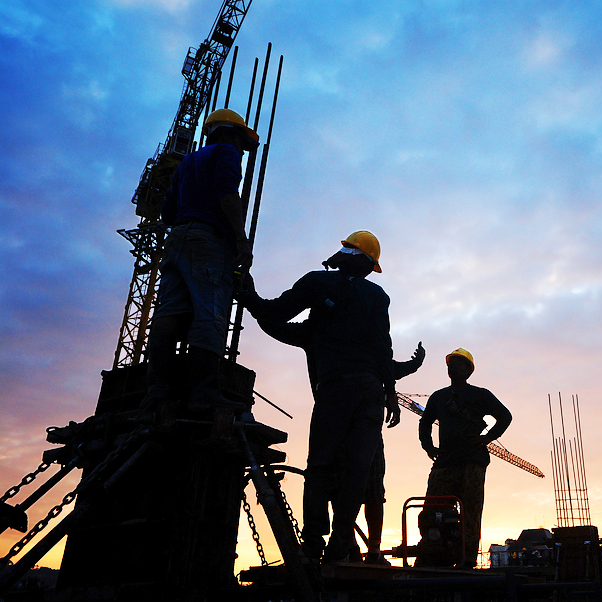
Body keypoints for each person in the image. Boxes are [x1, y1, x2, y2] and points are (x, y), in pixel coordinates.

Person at [237, 230, 400, 564]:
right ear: (367, 265)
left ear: (345, 254)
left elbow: (276, 318)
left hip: (336, 389)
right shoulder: (378, 297)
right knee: (357, 471)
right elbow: (384, 349)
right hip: (371, 393)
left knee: (321, 465)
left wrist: (249, 297)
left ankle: (312, 544)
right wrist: (392, 395)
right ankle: (339, 545)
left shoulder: (317, 283)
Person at [255, 314, 425, 565]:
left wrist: (413, 365)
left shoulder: (335, 335)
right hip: (350, 422)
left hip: (341, 421)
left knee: (359, 485)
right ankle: (350, 545)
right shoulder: (332, 333)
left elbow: (272, 322)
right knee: (346, 484)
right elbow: (272, 323)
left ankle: (364, 547)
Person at [143, 108, 258, 415]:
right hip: (207, 241)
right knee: (211, 313)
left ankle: (156, 390)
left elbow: (167, 212)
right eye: (240, 140)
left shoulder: (188, 162)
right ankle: (203, 393)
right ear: (231, 133)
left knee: (169, 312)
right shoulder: (226, 152)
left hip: (178, 239)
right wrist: (239, 237)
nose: (241, 150)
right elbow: (227, 192)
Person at [418, 348, 512, 568]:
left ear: (469, 370)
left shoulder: (481, 395)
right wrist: (428, 447)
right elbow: (425, 422)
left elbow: (505, 416)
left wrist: (487, 438)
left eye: (459, 364)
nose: (453, 367)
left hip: (472, 461)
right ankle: (434, 551)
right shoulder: (439, 397)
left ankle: (467, 558)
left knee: (471, 510)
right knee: (432, 507)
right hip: (446, 460)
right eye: (451, 363)